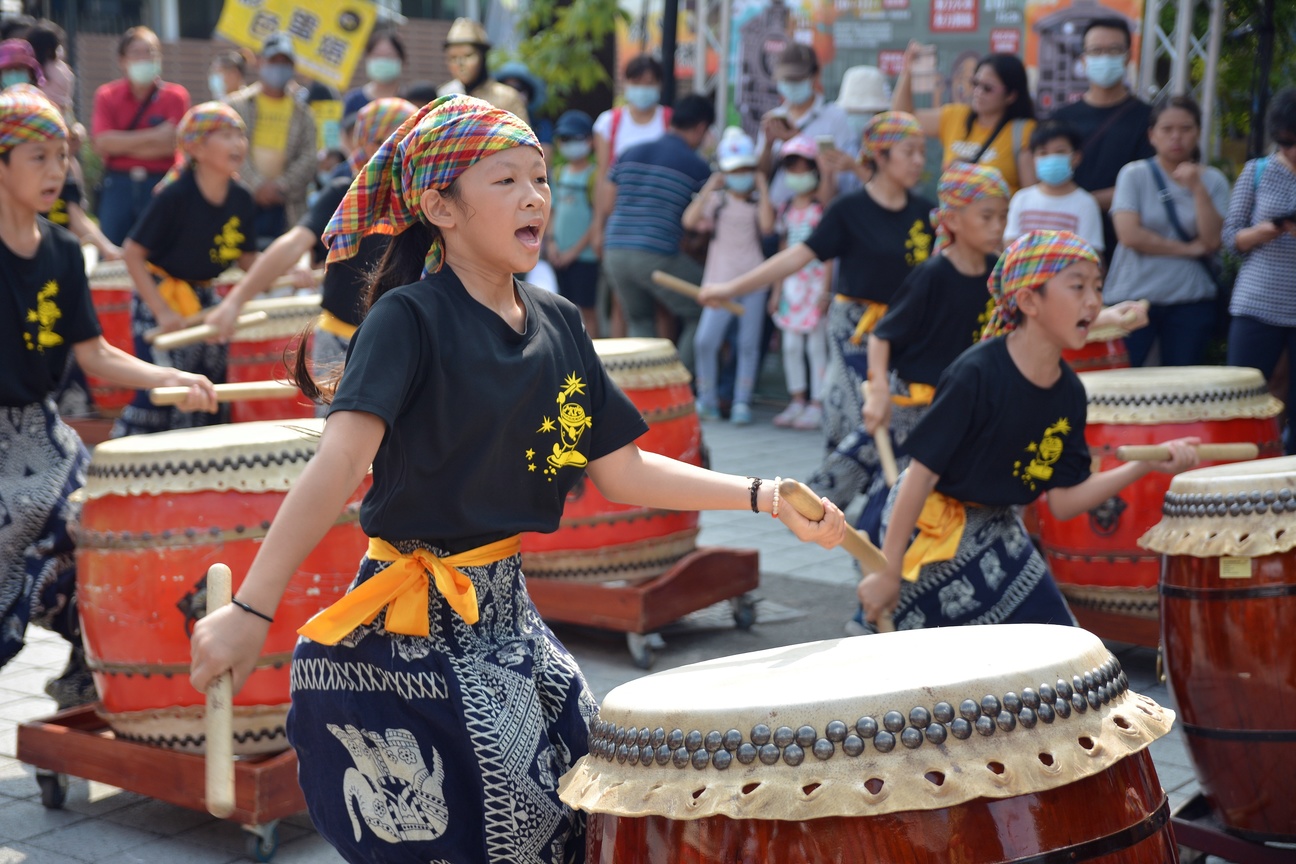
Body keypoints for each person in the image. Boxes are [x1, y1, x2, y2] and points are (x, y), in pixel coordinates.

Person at [186, 94, 845, 864]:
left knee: (600, 790)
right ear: (442, 207)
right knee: (509, 831)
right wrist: (249, 611)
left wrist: (764, 496)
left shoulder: (560, 322)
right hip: (413, 624)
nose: (535, 194)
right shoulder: (408, 319)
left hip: (507, 613)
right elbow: (336, 467)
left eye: (538, 178)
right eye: (505, 181)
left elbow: (622, 470)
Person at [856, 230, 1199, 632]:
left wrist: (1145, 465)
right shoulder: (976, 374)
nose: (1093, 300)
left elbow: (1065, 501)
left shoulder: (1068, 393)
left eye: (1097, 287)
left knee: (1066, 654)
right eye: (1077, 286)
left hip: (999, 525)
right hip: (930, 528)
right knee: (950, 676)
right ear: (1028, 300)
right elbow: (919, 476)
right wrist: (889, 569)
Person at [0, 86, 216, 707]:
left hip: (46, 435)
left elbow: (93, 353)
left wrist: (168, 378)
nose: (56, 170)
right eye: (37, 157)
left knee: (101, 530)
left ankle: (81, 672)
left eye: (62, 156)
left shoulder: (65, 253)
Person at [701, 112, 935, 508]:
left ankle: (876, 513)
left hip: (909, 331)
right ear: (879, 154)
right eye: (908, 152)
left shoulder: (927, 214)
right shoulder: (849, 210)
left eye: (921, 153)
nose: (917, 161)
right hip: (854, 331)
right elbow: (797, 257)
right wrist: (730, 288)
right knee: (862, 420)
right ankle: (823, 503)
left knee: (902, 423)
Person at [206, 98, 419, 396]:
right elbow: (293, 244)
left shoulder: (424, 201)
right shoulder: (345, 194)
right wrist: (233, 303)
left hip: (403, 342)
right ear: (373, 145)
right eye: (404, 138)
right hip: (340, 341)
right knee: (337, 435)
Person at [112, 102, 258, 437]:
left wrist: (288, 268)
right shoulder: (174, 195)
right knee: (162, 393)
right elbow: (133, 254)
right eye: (225, 135)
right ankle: (133, 471)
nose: (237, 143)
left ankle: (199, 475)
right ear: (195, 147)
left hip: (206, 303)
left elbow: (248, 259)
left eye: (240, 134)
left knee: (208, 390)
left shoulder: (241, 198)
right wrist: (161, 311)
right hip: (158, 296)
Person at [1106, 96, 1229, 367]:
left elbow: (1211, 241)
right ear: (1152, 135)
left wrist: (1197, 188)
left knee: (1181, 388)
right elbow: (1129, 235)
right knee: (1123, 381)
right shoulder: (1133, 174)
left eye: (1186, 129)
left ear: (1198, 132)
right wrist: (1187, 249)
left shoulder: (1213, 180)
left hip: (1191, 300)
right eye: (1167, 129)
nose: (1177, 137)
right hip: (1133, 297)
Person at [602, 94, 715, 371]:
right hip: (655, 253)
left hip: (614, 250)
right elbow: (702, 220)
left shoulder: (630, 152)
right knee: (707, 307)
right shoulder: (698, 167)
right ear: (701, 128)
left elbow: (606, 203)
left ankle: (645, 395)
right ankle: (680, 386)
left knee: (640, 319)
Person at [685, 128, 775, 425]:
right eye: (736, 170)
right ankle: (707, 399)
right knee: (705, 341)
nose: (742, 175)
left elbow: (767, 227)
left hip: (754, 281)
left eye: (747, 169)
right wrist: (712, 185)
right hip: (719, 283)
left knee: (748, 346)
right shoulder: (718, 200)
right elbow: (689, 220)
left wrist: (762, 188)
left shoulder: (756, 201)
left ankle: (741, 402)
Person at [1223, 88, 1296, 454]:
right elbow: (1229, 238)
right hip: (1257, 300)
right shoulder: (1257, 171)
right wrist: (1262, 231)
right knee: (1243, 392)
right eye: (1286, 143)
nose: (1292, 152)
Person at [1052, 17, 1155, 258]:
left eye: (1114, 50)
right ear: (1084, 59)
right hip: (1065, 241)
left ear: (1128, 56)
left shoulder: (1149, 119)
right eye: (1096, 50)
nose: (1104, 57)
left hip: (1124, 247)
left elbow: (1147, 185)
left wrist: (1081, 200)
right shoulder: (1060, 118)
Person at [90, 26, 190, 246]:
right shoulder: (106, 95)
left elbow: (172, 145)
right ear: (122, 60)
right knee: (113, 255)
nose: (145, 58)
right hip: (118, 185)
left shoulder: (176, 96)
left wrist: (122, 144)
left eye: (151, 52)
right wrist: (155, 135)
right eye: (137, 52)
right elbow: (103, 143)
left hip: (161, 184)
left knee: (161, 254)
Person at [893, 43, 1037, 193]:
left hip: (999, 215)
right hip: (954, 215)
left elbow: (1030, 197)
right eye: (975, 83)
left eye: (987, 88)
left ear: (1011, 96)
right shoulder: (956, 116)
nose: (978, 92)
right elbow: (902, 118)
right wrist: (907, 70)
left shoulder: (1024, 131)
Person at [224, 32, 318, 244]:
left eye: (285, 62)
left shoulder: (304, 114)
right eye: (273, 60)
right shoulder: (235, 106)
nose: (279, 66)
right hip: (241, 201)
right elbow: (227, 152)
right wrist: (256, 186)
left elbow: (309, 158)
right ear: (259, 62)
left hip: (288, 206)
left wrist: (280, 186)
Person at [768, 135, 831, 430]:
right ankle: (797, 399)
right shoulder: (785, 209)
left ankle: (818, 403)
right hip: (792, 288)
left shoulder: (823, 209)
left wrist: (827, 290)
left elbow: (829, 254)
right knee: (791, 345)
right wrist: (777, 289)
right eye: (790, 169)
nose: (796, 175)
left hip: (815, 284)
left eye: (802, 168)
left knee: (816, 345)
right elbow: (782, 250)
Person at [756, 43, 855, 206]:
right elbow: (760, 177)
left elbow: (843, 176)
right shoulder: (774, 119)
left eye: (797, 78)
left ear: (815, 75)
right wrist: (768, 145)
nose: (791, 85)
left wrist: (796, 141)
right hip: (778, 217)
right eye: (786, 79)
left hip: (818, 217)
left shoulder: (836, 118)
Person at [1005, 121, 1105, 251]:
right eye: (1043, 153)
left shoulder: (1085, 203)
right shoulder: (1021, 198)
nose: (1051, 158)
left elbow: (1090, 254)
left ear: (1076, 157)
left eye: (1060, 152)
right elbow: (1009, 247)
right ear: (1033, 158)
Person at [546, 109, 600, 335]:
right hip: (558, 254)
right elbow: (553, 211)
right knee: (562, 310)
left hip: (585, 256)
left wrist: (574, 252)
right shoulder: (558, 173)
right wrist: (550, 244)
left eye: (574, 139)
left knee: (587, 310)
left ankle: (595, 359)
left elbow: (597, 219)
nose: (568, 144)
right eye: (564, 139)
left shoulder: (595, 175)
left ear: (589, 140)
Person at [436, 18, 528, 122]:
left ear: (482, 57)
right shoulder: (443, 97)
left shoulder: (507, 97)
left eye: (468, 56)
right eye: (453, 58)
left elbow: (523, 137)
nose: (460, 64)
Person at [824, 65, 889, 191]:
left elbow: (887, 193)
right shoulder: (845, 145)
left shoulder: (891, 150)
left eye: (862, 112)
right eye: (851, 112)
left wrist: (854, 167)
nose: (855, 118)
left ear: (879, 113)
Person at [342, 29, 405, 117]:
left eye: (389, 55)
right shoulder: (353, 101)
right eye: (377, 55)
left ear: (401, 59)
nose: (383, 61)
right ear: (368, 58)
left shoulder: (408, 100)